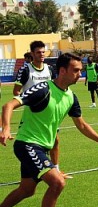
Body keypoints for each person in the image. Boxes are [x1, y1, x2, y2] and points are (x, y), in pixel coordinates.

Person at [0, 53, 98, 207]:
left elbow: (81, 125)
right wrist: (5, 128)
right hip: (27, 144)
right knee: (57, 183)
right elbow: (9, 104)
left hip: (41, 148)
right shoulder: (43, 89)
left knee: (27, 190)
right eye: (76, 70)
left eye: (80, 70)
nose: (80, 74)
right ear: (62, 70)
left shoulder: (71, 97)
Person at [14, 41, 70, 178]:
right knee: (30, 142)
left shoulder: (49, 69)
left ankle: (56, 169)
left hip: (49, 112)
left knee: (55, 140)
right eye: (38, 52)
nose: (42, 54)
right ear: (32, 53)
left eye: (43, 52)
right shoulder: (26, 70)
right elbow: (16, 91)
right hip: (33, 114)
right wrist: (29, 99)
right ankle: (31, 173)